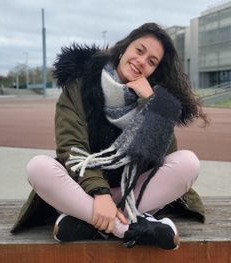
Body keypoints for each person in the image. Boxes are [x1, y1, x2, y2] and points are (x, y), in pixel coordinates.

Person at [11, 22, 208, 250]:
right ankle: (127, 227)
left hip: (134, 194)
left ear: (155, 70)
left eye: (152, 61)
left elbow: (162, 156)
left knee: (188, 162)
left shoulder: (158, 100)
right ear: (124, 48)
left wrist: (152, 105)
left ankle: (90, 222)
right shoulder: (79, 86)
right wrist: (100, 193)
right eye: (139, 50)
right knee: (38, 167)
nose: (142, 61)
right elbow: (72, 148)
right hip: (83, 190)